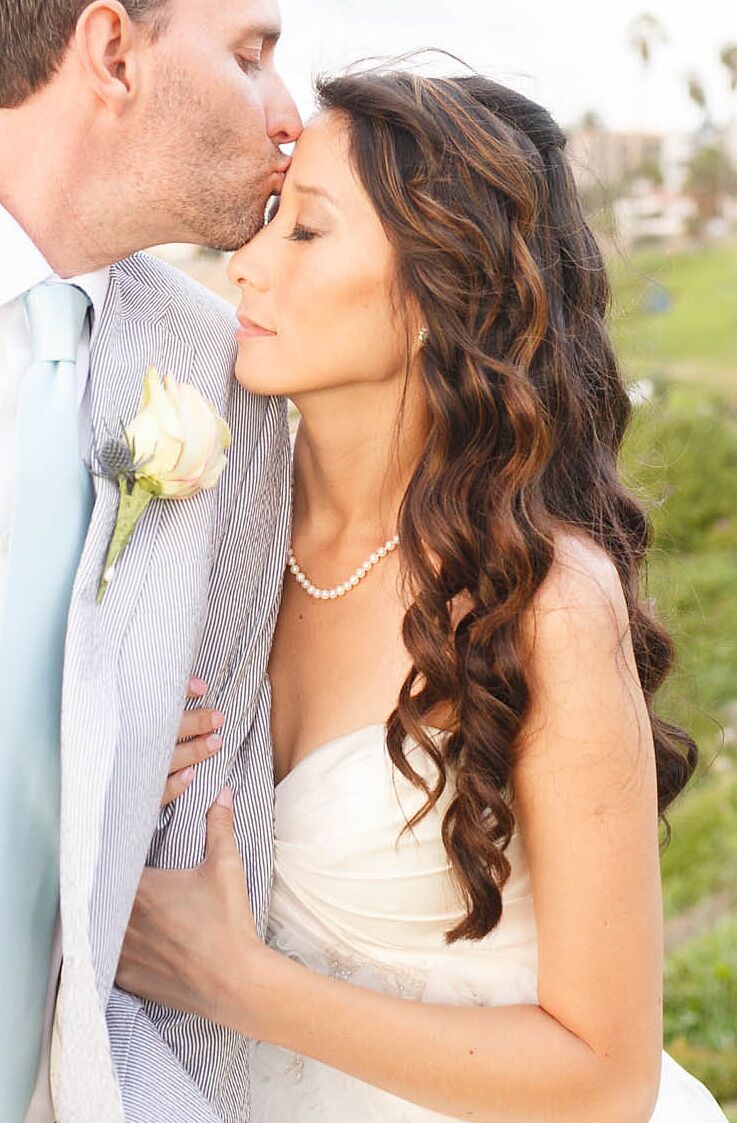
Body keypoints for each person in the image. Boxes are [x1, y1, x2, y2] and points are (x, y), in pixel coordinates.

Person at [118, 69, 730, 1121]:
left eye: (306, 232)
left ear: (439, 292)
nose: (247, 263)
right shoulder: (205, 534)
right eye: (267, 220)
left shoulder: (543, 608)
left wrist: (240, 984)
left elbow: (604, 1075)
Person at [0, 2, 300, 1122]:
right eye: (250, 57)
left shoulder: (223, 377)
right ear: (114, 50)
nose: (289, 117)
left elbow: (219, 810)